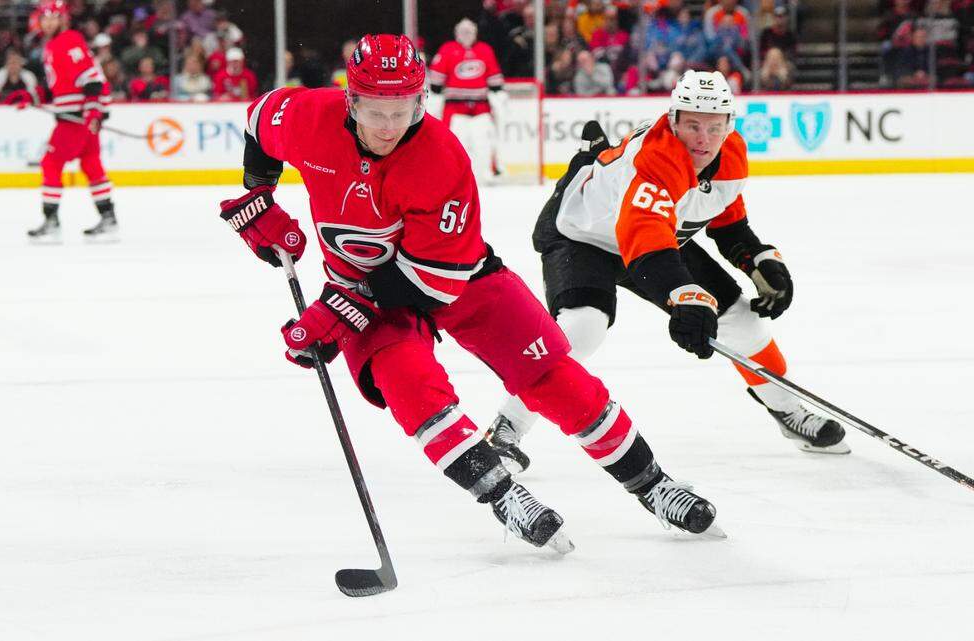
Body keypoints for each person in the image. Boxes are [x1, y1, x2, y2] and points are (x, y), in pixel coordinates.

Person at [220, 34, 722, 553]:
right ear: (351, 99)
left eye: (404, 109)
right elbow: (260, 118)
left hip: (456, 275)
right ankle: (504, 495)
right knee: (411, 390)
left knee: (552, 374)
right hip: (361, 287)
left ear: (421, 100)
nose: (390, 126)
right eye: (376, 109)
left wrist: (339, 311)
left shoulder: (442, 157)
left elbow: (433, 278)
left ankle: (652, 483)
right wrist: (261, 194)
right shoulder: (309, 117)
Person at [486, 70, 850, 473]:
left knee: (743, 323)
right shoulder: (658, 158)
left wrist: (757, 259)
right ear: (673, 120)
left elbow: (723, 218)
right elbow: (644, 244)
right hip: (582, 233)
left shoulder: (730, 154)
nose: (703, 139)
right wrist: (686, 297)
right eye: (692, 124)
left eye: (714, 127)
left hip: (657, 236)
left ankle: (787, 410)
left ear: (730, 126)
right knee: (581, 330)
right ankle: (506, 427)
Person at [26, 0, 117, 242]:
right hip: (80, 115)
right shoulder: (54, 44)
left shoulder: (68, 40)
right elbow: (59, 85)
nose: (47, 23)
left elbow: (92, 79)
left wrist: (93, 112)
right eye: (43, 18)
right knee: (91, 164)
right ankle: (109, 219)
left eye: (52, 17)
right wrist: (30, 96)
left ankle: (51, 220)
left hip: (76, 118)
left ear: (62, 18)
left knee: (51, 163)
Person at [428, 18, 507, 185]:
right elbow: (436, 83)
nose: (466, 35)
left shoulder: (485, 50)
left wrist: (499, 96)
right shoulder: (448, 50)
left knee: (484, 144)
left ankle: (485, 174)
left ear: (475, 33)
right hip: (455, 109)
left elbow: (495, 81)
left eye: (469, 31)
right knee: (454, 146)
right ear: (456, 33)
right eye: (463, 32)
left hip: (481, 108)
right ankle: (452, 177)